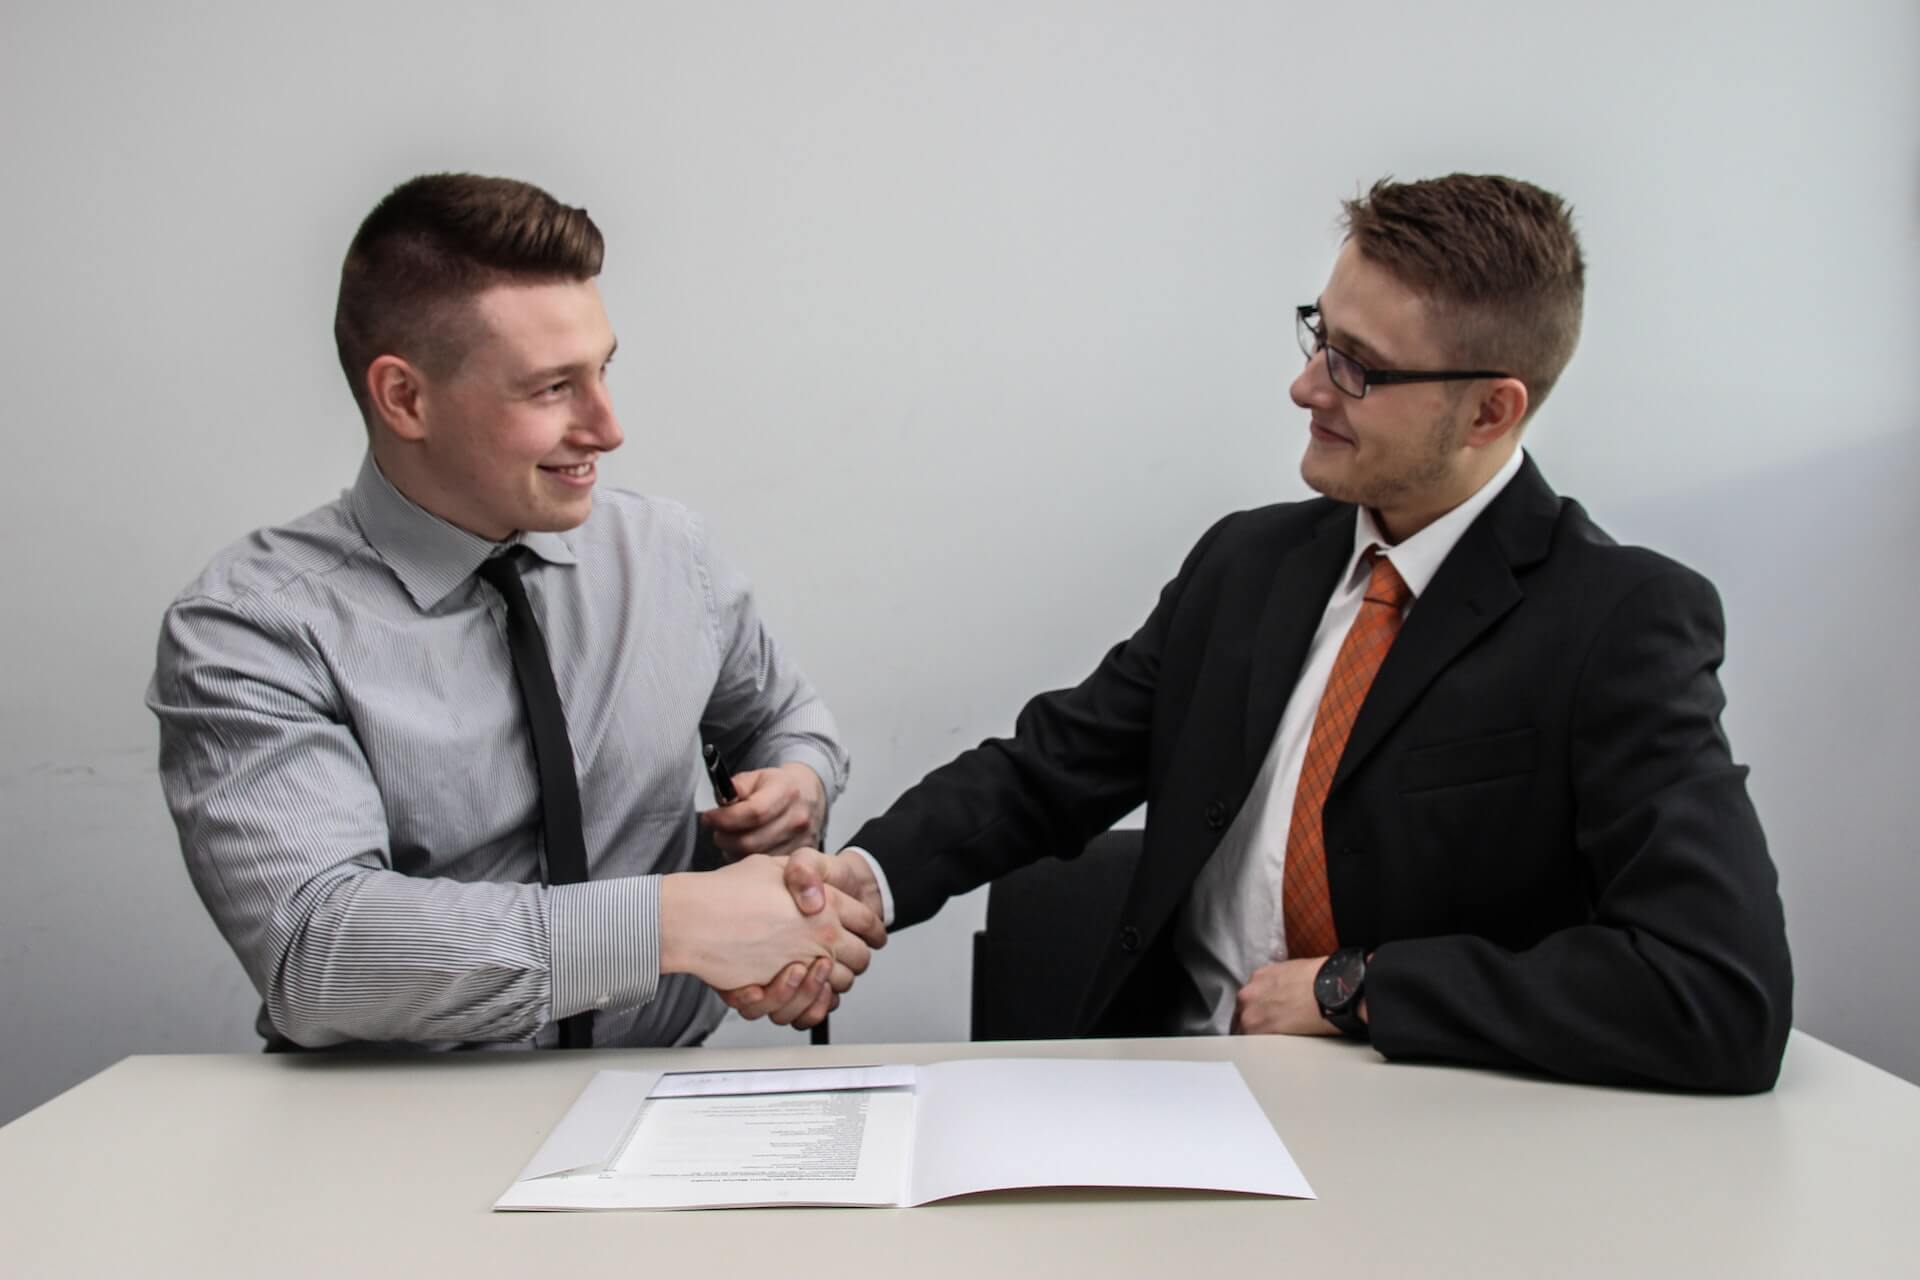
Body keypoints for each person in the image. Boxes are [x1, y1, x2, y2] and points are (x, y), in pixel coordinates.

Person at [741, 174, 1793, 1093]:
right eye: (1318, 336)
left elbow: (1718, 991)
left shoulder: (1619, 622)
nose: (1307, 386)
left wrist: (1356, 989)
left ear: (1490, 411)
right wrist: (861, 881)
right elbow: (1047, 770)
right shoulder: (1250, 565)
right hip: (1166, 1105)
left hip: (1431, 1150)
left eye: (1358, 368)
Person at [149, 173, 880, 1051]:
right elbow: (320, 954)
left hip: (662, 1097)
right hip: (387, 1134)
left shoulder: (670, 554)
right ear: (405, 399)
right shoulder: (251, 629)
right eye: (551, 389)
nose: (608, 428)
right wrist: (669, 923)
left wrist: (794, 787)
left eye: (603, 370)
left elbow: (784, 721)